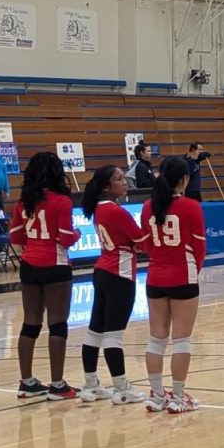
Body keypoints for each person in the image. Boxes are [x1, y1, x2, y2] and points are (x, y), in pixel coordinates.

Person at [9, 152, 80, 398]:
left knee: (31, 323)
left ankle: (27, 382)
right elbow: (65, 237)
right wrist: (78, 234)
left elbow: (16, 237)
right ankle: (58, 385)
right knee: (57, 324)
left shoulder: (23, 202)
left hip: (29, 264)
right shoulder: (61, 201)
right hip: (55, 264)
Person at [141, 156, 207, 413]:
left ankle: (157, 395)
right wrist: (193, 269)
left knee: (156, 338)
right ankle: (178, 397)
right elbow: (200, 247)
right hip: (183, 275)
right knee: (181, 339)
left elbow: (146, 244)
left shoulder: (148, 206)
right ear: (184, 179)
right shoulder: (191, 206)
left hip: (155, 276)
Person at [79, 165, 148, 404]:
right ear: (107, 187)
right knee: (113, 335)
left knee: (95, 331)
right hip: (120, 273)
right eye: (119, 179)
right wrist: (138, 245)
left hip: (103, 270)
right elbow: (143, 242)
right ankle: (121, 388)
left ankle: (90, 384)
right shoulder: (117, 212)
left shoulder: (99, 209)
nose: (125, 182)